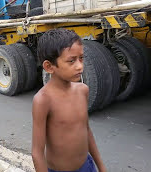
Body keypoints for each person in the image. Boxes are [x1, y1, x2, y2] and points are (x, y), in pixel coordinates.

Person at [32, 28, 106, 172]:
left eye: (81, 58)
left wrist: (101, 166)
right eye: (71, 61)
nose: (80, 66)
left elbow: (86, 130)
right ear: (49, 66)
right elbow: (37, 153)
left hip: (87, 166)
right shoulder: (43, 100)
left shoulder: (83, 90)